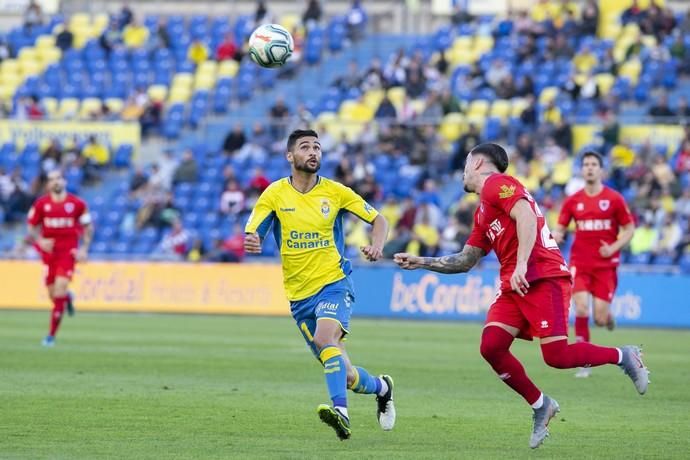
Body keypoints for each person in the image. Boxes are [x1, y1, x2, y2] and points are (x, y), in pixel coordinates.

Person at [393, 143, 649, 449]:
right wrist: (422, 262)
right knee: (492, 346)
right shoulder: (483, 213)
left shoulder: (496, 185)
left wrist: (523, 264)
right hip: (515, 284)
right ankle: (542, 405)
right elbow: (465, 260)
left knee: (556, 356)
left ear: (476, 163)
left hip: (542, 276)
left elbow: (526, 215)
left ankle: (624, 356)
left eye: (464, 164)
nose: (461, 171)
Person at [244, 129, 395, 440]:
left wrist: (377, 245)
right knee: (348, 374)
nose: (313, 152)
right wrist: (252, 239)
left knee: (326, 338)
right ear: (290, 156)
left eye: (317, 147)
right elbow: (255, 227)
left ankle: (341, 414)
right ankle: (383, 387)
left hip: (334, 283)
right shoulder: (274, 194)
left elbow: (379, 219)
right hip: (299, 298)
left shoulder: (336, 192)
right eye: (305, 147)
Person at [552, 151, 635, 378]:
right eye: (586, 164)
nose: (589, 168)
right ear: (582, 170)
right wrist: (557, 235)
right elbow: (560, 227)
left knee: (598, 317)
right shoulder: (573, 200)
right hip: (580, 262)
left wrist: (614, 247)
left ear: (601, 170)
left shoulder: (614, 199)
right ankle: (584, 361)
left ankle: (606, 318)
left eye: (593, 164)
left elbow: (629, 229)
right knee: (580, 308)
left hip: (606, 265)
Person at [25, 170, 93, 347]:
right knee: (53, 294)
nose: (56, 182)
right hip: (49, 254)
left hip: (68, 253)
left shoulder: (77, 204)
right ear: (48, 184)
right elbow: (31, 227)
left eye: (59, 178)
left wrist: (84, 249)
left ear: (65, 181)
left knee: (59, 290)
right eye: (52, 179)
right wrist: (40, 240)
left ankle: (51, 336)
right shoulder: (41, 204)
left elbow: (88, 227)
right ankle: (67, 299)